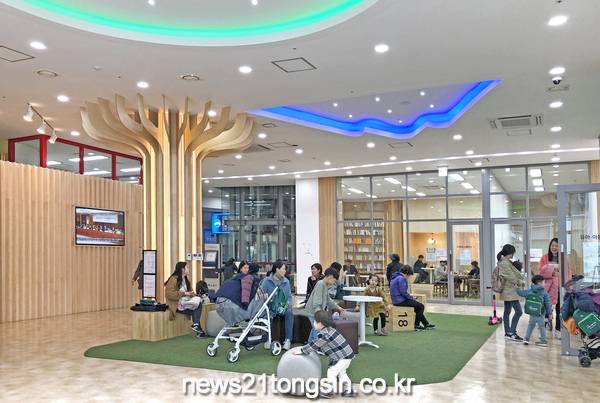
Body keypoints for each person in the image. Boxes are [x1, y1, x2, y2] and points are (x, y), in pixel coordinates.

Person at [294, 310, 356, 398]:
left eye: (315, 322)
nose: (314, 323)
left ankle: (329, 391)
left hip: (343, 356)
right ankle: (349, 390)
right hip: (347, 355)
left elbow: (315, 345)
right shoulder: (329, 330)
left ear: (320, 324)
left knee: (331, 372)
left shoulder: (324, 335)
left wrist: (302, 350)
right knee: (342, 372)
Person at [538, 237, 572, 339]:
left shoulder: (563, 258)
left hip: (559, 288)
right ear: (550, 246)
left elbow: (568, 272)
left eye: (556, 246)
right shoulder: (544, 258)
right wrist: (553, 272)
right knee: (545, 310)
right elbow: (541, 272)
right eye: (552, 245)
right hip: (548, 289)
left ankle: (558, 330)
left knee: (559, 310)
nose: (554, 247)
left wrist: (568, 284)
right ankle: (543, 330)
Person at [214, 261, 264, 327]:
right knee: (260, 302)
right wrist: (245, 304)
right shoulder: (248, 278)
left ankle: (235, 326)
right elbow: (246, 292)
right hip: (231, 305)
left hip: (220, 303)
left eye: (247, 268)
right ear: (240, 269)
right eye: (245, 268)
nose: (246, 270)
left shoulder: (235, 278)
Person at [164, 261, 206, 336]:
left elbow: (190, 292)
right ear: (182, 269)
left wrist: (192, 294)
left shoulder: (186, 280)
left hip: (185, 303)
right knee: (197, 307)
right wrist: (185, 293)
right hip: (177, 304)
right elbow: (169, 294)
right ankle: (197, 328)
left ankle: (197, 327)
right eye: (187, 267)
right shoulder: (173, 279)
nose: (189, 269)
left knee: (198, 303)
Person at [304, 268, 345, 343]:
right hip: (313, 312)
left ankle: (309, 345)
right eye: (334, 281)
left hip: (315, 311)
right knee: (317, 329)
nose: (333, 283)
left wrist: (338, 307)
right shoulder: (320, 284)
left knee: (314, 329)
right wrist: (319, 316)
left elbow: (328, 300)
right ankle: (315, 346)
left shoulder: (324, 285)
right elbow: (317, 301)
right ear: (330, 277)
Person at [260, 260, 294, 350]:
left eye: (285, 269)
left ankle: (288, 340)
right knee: (266, 314)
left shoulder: (286, 281)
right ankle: (267, 339)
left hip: (282, 307)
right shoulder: (266, 281)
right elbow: (261, 296)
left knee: (289, 312)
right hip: (270, 307)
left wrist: (287, 305)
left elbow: (289, 297)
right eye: (283, 269)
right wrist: (264, 297)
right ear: (277, 269)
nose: (285, 271)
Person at [390, 265, 435, 330]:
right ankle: (417, 325)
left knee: (417, 308)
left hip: (396, 300)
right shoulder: (401, 278)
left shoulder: (395, 277)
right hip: (400, 301)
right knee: (421, 306)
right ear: (406, 273)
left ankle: (426, 324)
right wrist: (411, 298)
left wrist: (410, 298)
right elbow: (403, 292)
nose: (409, 277)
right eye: (409, 275)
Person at [497, 244, 525, 341]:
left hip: (508, 290)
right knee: (519, 311)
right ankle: (512, 333)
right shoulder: (504, 263)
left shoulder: (505, 262)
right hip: (509, 291)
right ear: (510, 253)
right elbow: (510, 276)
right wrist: (520, 282)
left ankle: (508, 332)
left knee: (507, 311)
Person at [516, 274, 552, 347]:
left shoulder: (530, 290)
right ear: (539, 283)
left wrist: (517, 288)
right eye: (544, 282)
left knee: (530, 325)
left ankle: (526, 339)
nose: (544, 284)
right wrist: (550, 314)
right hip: (540, 314)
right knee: (542, 327)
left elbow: (521, 293)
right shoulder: (544, 293)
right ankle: (543, 341)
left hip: (532, 313)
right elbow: (548, 304)